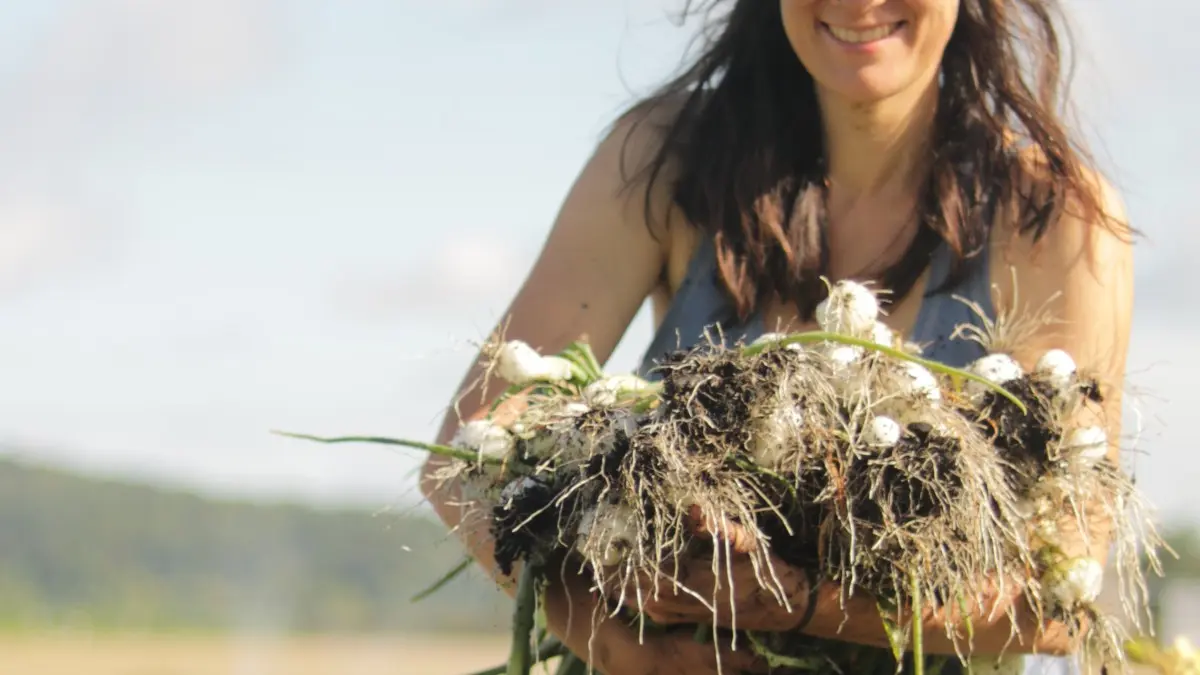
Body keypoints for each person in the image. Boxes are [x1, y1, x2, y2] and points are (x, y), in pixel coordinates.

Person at [420, 1, 1134, 673]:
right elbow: (473, 440)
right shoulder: (666, 162)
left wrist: (794, 602)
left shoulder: (1053, 214)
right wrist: (605, 637)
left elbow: (1060, 588)